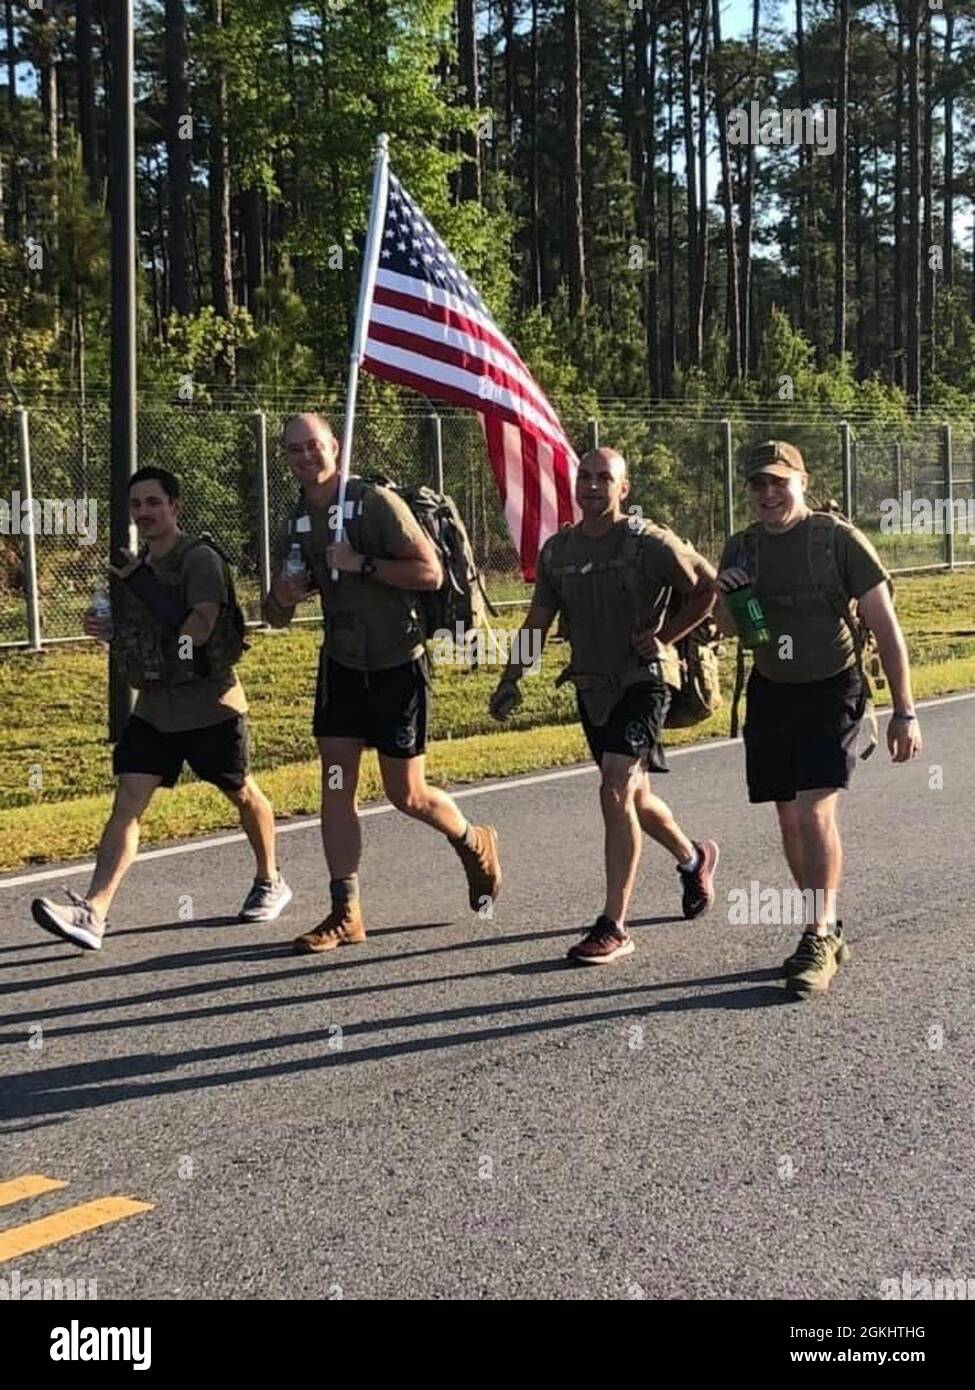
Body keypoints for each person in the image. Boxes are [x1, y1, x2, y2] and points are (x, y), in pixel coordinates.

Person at [265, 413, 501, 955]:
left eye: (313, 446)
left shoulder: (373, 503)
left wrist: (361, 562)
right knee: (333, 785)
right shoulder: (297, 520)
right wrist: (283, 594)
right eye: (293, 450)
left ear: (335, 446)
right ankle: (345, 911)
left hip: (399, 661)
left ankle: (473, 839)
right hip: (342, 663)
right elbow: (273, 615)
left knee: (406, 794)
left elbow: (430, 573)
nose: (304, 456)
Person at [31, 467, 291, 951]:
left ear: (175, 506)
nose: (146, 513)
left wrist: (178, 656)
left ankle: (270, 878)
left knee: (241, 793)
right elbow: (135, 628)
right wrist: (110, 631)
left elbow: (203, 620)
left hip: (211, 706)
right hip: (154, 709)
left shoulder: (200, 560)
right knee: (128, 801)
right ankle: (94, 911)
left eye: (154, 502)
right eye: (137, 505)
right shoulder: (130, 569)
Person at [489, 447, 720, 964]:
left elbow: (706, 588)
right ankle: (693, 857)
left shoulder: (648, 544)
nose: (592, 486)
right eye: (585, 477)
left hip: (646, 681)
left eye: (603, 478)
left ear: (623, 489)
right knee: (633, 797)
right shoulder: (558, 552)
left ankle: (615, 924)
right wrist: (510, 678)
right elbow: (537, 621)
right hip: (592, 688)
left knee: (615, 782)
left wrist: (666, 637)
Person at [715, 440, 922, 998]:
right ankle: (823, 924)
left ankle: (818, 930)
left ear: (801, 483)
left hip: (834, 690)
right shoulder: (742, 548)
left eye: (778, 482)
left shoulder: (837, 540)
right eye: (758, 484)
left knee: (813, 811)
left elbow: (885, 625)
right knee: (788, 818)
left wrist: (905, 711)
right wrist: (729, 596)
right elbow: (726, 628)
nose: (767, 493)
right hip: (772, 693)